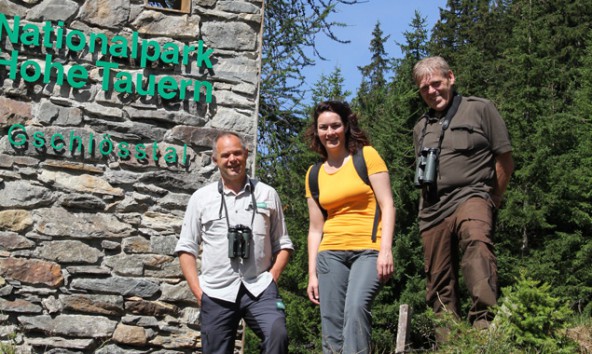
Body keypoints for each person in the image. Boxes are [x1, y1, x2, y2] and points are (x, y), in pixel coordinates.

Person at [412, 56, 514, 330]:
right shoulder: (421, 127)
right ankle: (450, 342)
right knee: (438, 279)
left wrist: (493, 197)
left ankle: (484, 328)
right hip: (433, 210)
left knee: (476, 246)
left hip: (473, 195)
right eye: (425, 88)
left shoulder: (480, 109)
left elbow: (505, 158)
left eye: (436, 84)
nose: (432, 92)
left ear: (451, 78)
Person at [175, 132, 294, 354]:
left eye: (237, 153)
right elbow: (186, 247)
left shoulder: (267, 193)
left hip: (259, 287)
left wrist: (272, 277)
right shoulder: (201, 198)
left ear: (246, 154)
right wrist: (198, 291)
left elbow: (283, 243)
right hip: (216, 291)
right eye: (225, 155)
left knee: (277, 333)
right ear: (215, 160)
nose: (232, 159)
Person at [304, 101, 396, 354]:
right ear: (317, 132)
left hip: (368, 249)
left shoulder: (366, 156)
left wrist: (385, 249)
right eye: (323, 127)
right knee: (331, 323)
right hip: (329, 253)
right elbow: (315, 229)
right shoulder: (314, 173)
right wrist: (312, 274)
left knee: (356, 308)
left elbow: (387, 205)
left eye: (335, 125)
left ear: (346, 127)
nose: (330, 132)